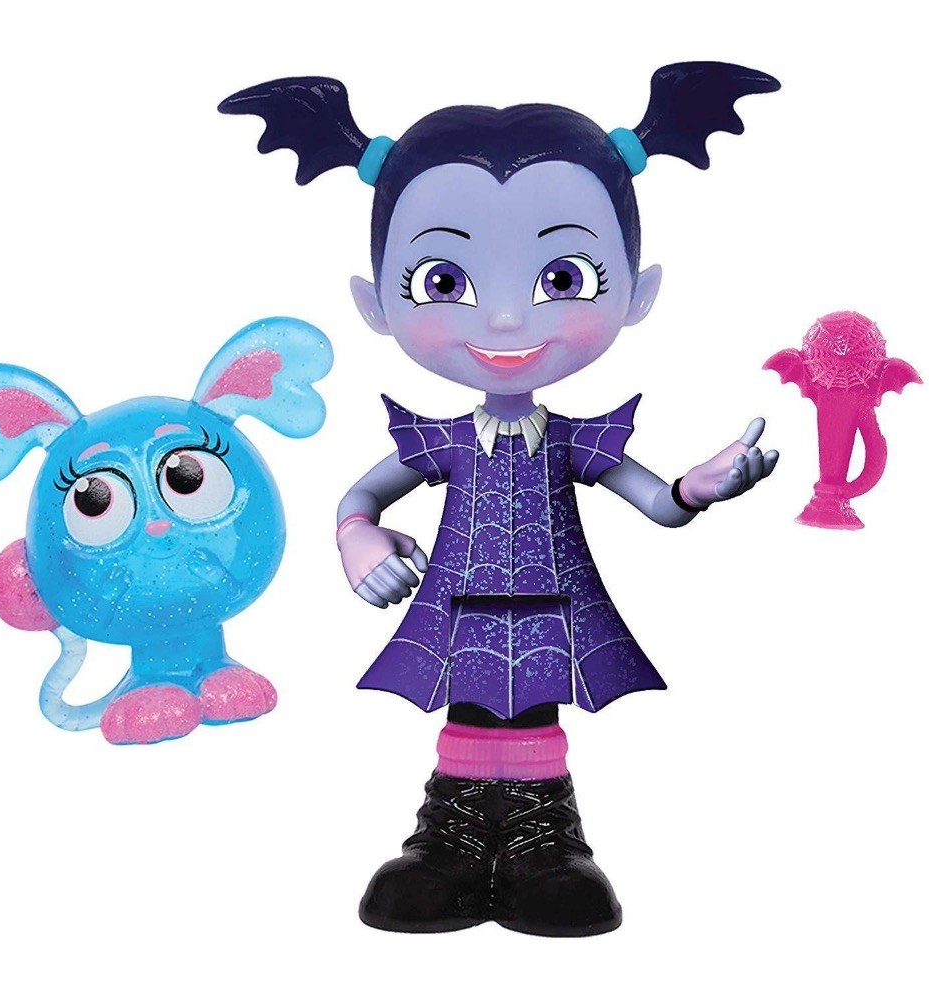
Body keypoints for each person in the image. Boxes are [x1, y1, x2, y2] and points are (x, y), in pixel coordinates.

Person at [220, 62, 780, 936]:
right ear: (376, 303)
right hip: (455, 609)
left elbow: (659, 504)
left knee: (537, 701)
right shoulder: (442, 440)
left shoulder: (572, 440)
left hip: (553, 610)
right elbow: (361, 497)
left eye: (564, 278)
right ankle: (450, 832)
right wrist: (357, 538)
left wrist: (694, 489)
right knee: (469, 698)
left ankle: (542, 836)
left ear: (638, 291)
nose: (508, 321)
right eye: (444, 283)